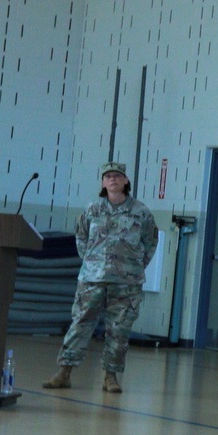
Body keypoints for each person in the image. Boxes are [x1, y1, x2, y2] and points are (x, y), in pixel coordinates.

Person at [43, 161, 158, 394]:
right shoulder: (92, 209)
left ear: (126, 181)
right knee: (80, 323)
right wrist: (92, 263)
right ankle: (64, 373)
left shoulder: (141, 212)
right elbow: (81, 238)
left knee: (119, 329)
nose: (113, 180)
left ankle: (111, 377)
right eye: (108, 177)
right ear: (103, 183)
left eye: (117, 176)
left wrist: (132, 266)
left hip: (126, 283)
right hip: (92, 279)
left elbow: (150, 243)